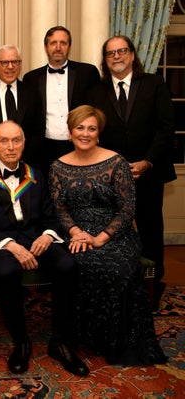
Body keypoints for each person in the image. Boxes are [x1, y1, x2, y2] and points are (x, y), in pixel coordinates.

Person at [0, 121, 88, 376]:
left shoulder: (36, 174)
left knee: (68, 265)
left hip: (35, 239)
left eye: (16, 140)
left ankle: (61, 342)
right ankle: (21, 341)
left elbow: (51, 216)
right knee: (8, 272)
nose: (10, 147)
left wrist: (47, 235)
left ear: (24, 143)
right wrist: (10, 245)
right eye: (4, 141)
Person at [49, 105, 167, 365]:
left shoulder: (117, 163)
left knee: (117, 268)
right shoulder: (58, 166)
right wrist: (76, 232)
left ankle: (114, 340)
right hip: (77, 234)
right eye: (80, 128)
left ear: (99, 133)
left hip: (116, 233)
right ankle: (85, 335)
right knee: (78, 263)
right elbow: (60, 208)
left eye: (91, 128)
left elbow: (127, 210)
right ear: (70, 133)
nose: (85, 133)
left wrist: (101, 238)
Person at [86, 36, 176, 306]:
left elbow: (165, 127)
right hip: (109, 177)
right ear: (105, 59)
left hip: (148, 173)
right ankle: (117, 284)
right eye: (110, 53)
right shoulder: (95, 91)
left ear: (132, 55)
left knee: (150, 229)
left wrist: (147, 161)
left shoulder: (154, 84)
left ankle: (153, 285)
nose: (116, 56)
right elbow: (92, 134)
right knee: (112, 230)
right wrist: (112, 167)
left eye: (121, 51)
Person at [23, 26, 100, 174]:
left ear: (69, 47)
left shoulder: (87, 73)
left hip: (78, 145)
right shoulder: (31, 78)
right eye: (53, 43)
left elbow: (97, 110)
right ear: (46, 47)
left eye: (63, 43)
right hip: (42, 149)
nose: (58, 48)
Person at [0, 45, 44, 166]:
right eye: (4, 62)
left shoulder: (33, 92)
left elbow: (38, 130)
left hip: (26, 165)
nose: (10, 67)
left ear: (20, 64)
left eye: (15, 62)